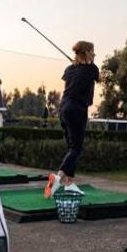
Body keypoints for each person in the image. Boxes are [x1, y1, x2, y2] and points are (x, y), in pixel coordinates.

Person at [45, 41, 100, 197]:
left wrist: (80, 65)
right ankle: (58, 177)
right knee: (76, 148)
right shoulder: (92, 69)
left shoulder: (69, 69)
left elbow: (75, 79)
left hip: (64, 108)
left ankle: (70, 184)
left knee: (72, 147)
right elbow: (99, 78)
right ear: (87, 53)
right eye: (92, 51)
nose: (95, 54)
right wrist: (89, 64)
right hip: (77, 109)